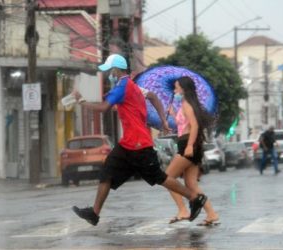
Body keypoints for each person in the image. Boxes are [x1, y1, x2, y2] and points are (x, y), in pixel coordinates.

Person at [71, 54, 206, 226]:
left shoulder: (122, 87)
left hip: (140, 144)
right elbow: (153, 97)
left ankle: (194, 198)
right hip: (128, 144)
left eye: (110, 71)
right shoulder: (132, 86)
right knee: (106, 174)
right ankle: (94, 213)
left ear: (116, 70)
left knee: (159, 177)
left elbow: (104, 107)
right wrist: (163, 120)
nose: (109, 75)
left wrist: (81, 102)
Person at [165, 76, 219, 226]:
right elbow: (184, 125)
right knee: (191, 183)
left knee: (167, 178)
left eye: (176, 87)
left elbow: (194, 126)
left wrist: (189, 145)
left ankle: (183, 210)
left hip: (188, 144)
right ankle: (212, 214)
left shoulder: (187, 103)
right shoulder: (185, 104)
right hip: (189, 143)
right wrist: (174, 114)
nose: (175, 90)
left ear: (183, 88)